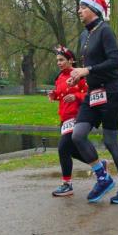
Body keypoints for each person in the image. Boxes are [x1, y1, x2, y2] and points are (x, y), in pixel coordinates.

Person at [67, 0, 118, 204]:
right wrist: (77, 76)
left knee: (110, 141)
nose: (79, 11)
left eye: (83, 7)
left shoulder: (105, 30)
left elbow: (116, 61)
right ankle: (103, 177)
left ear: (94, 10)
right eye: (79, 7)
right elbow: (89, 65)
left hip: (111, 91)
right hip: (93, 92)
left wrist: (87, 69)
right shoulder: (84, 35)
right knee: (78, 135)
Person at [48, 46, 87, 197]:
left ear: (71, 60)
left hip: (77, 117)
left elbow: (88, 94)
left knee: (63, 148)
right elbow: (61, 94)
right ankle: (98, 164)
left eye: (61, 60)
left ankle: (67, 184)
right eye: (57, 60)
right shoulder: (59, 77)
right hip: (64, 118)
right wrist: (54, 95)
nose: (59, 63)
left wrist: (76, 96)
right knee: (71, 151)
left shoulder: (79, 75)